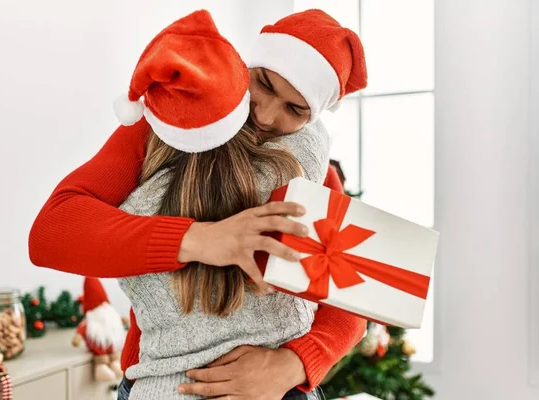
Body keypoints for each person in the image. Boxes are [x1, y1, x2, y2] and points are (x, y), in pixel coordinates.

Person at [29, 8, 368, 400]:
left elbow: (354, 294)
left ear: (313, 118)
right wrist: (199, 239)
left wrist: (293, 364)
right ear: (248, 65)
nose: (265, 114)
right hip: (159, 379)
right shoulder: (167, 123)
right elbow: (52, 231)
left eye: (296, 109)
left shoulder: (309, 168)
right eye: (264, 83)